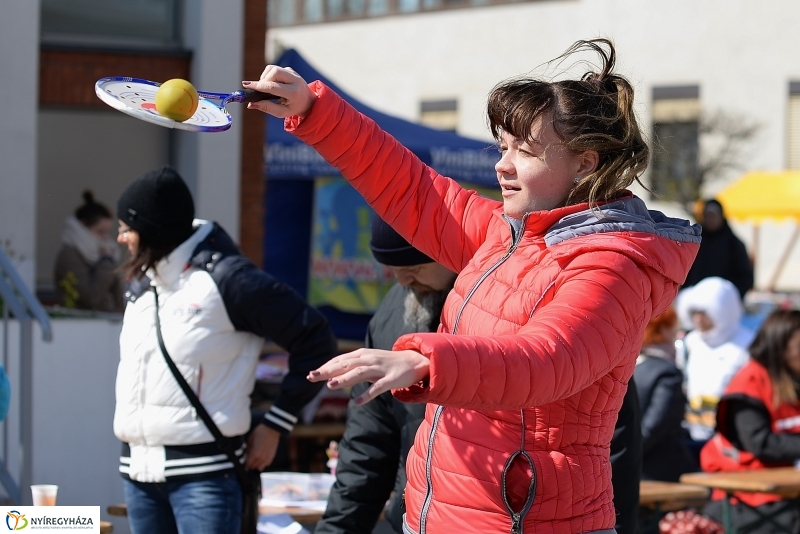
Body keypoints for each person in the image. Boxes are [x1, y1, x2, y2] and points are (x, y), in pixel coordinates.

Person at [248, 38, 702, 533]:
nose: (502, 166)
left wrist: (426, 360)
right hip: (448, 514)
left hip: (529, 521)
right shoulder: (506, 236)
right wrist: (316, 110)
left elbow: (547, 359)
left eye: (523, 152)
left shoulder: (613, 266)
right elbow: (413, 188)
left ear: (585, 163)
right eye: (502, 147)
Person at [112, 166, 338, 534]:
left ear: (153, 229)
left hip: (206, 480)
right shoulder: (142, 283)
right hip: (138, 474)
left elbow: (315, 339)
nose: (121, 239)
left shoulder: (228, 279)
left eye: (126, 229)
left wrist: (276, 423)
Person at [315, 215, 457, 534]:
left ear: (451, 252)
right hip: (413, 519)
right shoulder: (393, 316)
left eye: (414, 269)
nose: (404, 282)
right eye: (394, 271)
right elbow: (368, 447)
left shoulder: (501, 312)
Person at [699, 309, 800, 533]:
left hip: (784, 485)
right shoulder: (750, 382)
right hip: (744, 492)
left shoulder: (790, 379)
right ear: (780, 345)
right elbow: (759, 443)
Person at [677, 276, 754, 455]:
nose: (698, 319)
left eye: (705, 312)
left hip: (730, 433)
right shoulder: (690, 342)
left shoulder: (747, 343)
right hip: (691, 429)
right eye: (694, 312)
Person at [634, 306, 698, 481]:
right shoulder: (667, 372)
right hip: (658, 468)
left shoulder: (630, 366)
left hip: (629, 463)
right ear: (663, 329)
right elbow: (655, 426)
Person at [54, 190, 124, 312]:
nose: (105, 238)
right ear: (83, 226)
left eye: (107, 232)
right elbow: (90, 297)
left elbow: (118, 295)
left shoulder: (101, 252)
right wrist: (106, 262)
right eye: (100, 231)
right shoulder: (69, 255)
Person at [683, 198, 753, 300]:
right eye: (708, 216)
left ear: (721, 217)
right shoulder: (694, 241)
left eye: (714, 216)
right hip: (696, 298)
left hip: (723, 300)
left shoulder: (734, 244)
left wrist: (733, 297)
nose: (711, 219)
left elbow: (745, 277)